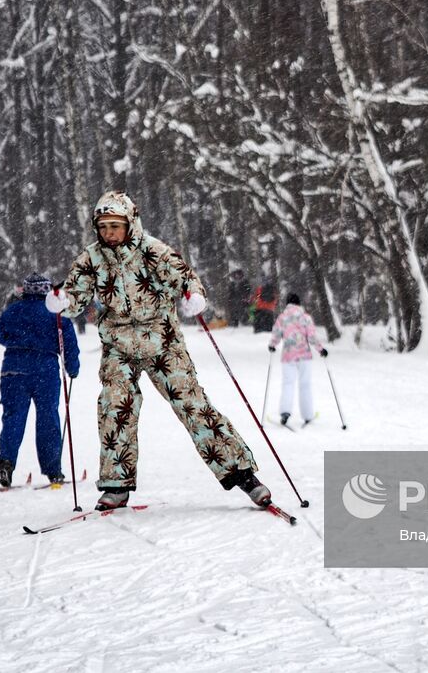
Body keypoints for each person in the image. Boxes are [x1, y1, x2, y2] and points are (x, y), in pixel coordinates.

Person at [50, 191, 271, 511]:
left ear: (130, 224)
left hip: (162, 340)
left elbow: (186, 278)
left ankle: (244, 475)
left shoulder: (153, 251)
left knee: (192, 403)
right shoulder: (91, 258)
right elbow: (76, 295)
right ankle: (116, 484)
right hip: (118, 344)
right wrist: (62, 302)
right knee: (115, 403)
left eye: (116, 225)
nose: (109, 232)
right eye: (103, 226)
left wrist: (193, 296)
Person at [0, 273, 79, 488]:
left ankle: (6, 462)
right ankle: (53, 471)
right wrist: (72, 368)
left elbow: (0, 335)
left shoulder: (13, 311)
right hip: (46, 371)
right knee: (48, 418)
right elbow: (68, 342)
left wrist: (19, 342)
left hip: (14, 370)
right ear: (47, 290)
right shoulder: (55, 312)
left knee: (13, 417)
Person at [268, 293, 328, 426]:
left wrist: (272, 345)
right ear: (298, 303)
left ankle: (285, 412)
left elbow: (276, 334)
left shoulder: (282, 318)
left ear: (287, 304)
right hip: (304, 356)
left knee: (288, 384)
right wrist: (321, 349)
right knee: (305, 385)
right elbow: (312, 337)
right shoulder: (306, 318)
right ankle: (307, 415)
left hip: (288, 355)